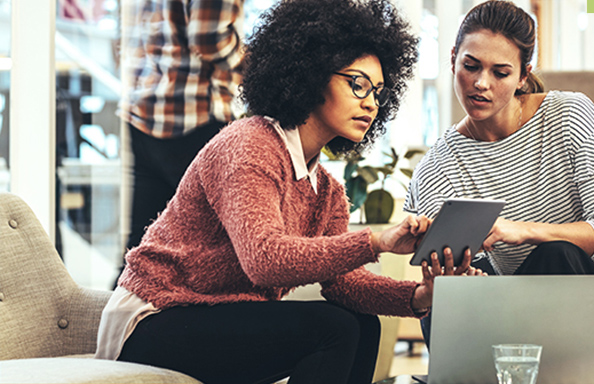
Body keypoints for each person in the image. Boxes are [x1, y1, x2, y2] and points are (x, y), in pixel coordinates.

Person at [96, 1, 484, 383]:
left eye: (378, 91)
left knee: (363, 326)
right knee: (333, 328)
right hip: (155, 317)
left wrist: (419, 296)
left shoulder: (326, 189)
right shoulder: (249, 146)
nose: (370, 102)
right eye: (357, 84)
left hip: (215, 315)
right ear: (311, 75)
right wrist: (375, 241)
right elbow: (263, 259)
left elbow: (345, 284)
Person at [405, 0, 594, 373]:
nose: (481, 83)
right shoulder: (436, 169)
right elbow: (474, 288)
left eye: (500, 73)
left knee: (555, 255)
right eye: (470, 66)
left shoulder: (568, 115)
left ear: (522, 75)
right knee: (445, 307)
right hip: (520, 318)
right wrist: (449, 272)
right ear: (452, 57)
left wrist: (523, 232)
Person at [115, 0, 245, 287]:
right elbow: (209, 38)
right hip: (192, 114)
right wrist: (256, 63)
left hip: (144, 108)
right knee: (213, 250)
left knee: (142, 243)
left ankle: (115, 326)